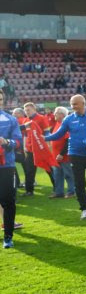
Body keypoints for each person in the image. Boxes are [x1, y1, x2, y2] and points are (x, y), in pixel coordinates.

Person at [45, 95, 86, 220]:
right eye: (71, 104)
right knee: (79, 183)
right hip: (75, 155)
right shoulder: (68, 119)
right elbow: (59, 134)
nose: (73, 106)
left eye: (75, 104)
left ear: (83, 103)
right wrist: (45, 138)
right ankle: (84, 209)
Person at [0, 91, 23, 248]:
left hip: (6, 167)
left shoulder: (10, 119)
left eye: (0, 98)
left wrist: (6, 142)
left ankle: (8, 236)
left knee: (8, 201)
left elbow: (18, 142)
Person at [20, 102, 52, 196]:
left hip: (40, 149)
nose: (27, 112)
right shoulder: (25, 120)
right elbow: (25, 134)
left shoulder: (42, 118)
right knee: (29, 170)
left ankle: (57, 188)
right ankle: (29, 191)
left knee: (49, 169)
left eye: (28, 110)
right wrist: (25, 146)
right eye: (25, 110)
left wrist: (48, 144)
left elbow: (47, 132)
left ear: (34, 109)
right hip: (30, 149)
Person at [49, 106, 76, 199]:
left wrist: (61, 153)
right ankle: (59, 192)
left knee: (68, 174)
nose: (54, 114)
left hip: (64, 156)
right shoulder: (57, 124)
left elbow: (68, 140)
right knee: (57, 175)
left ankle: (71, 191)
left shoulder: (65, 124)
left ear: (62, 114)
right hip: (56, 156)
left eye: (56, 112)